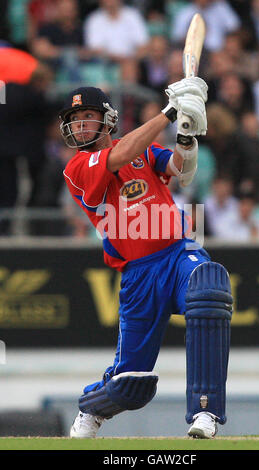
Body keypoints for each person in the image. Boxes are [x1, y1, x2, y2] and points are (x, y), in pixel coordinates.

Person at [59, 78, 233, 439]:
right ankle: (92, 407)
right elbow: (118, 157)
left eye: (88, 116)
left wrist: (186, 136)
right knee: (131, 387)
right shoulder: (77, 168)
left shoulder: (144, 149)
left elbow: (182, 171)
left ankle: (205, 412)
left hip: (178, 251)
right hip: (139, 273)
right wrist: (170, 112)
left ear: (108, 119)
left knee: (209, 291)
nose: (79, 125)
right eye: (75, 119)